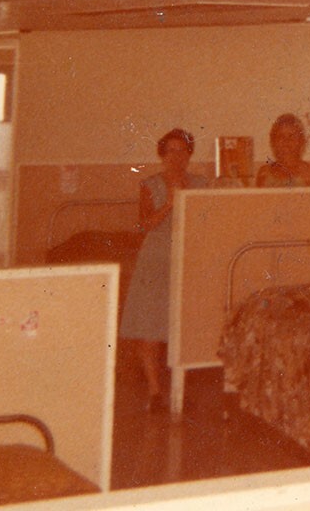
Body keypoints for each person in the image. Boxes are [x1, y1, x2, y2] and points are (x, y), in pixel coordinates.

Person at [119, 127, 208, 411]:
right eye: (171, 151)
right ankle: (156, 393)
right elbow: (143, 225)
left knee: (183, 327)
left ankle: (179, 391)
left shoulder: (201, 184)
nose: (177, 156)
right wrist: (170, 203)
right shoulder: (150, 185)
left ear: (189, 154)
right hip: (156, 259)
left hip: (187, 258)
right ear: (162, 154)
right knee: (150, 325)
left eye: (182, 150)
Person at [255, 113, 310, 187]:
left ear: (301, 141)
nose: (286, 142)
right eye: (281, 137)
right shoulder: (264, 174)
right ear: (273, 142)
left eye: (291, 137)